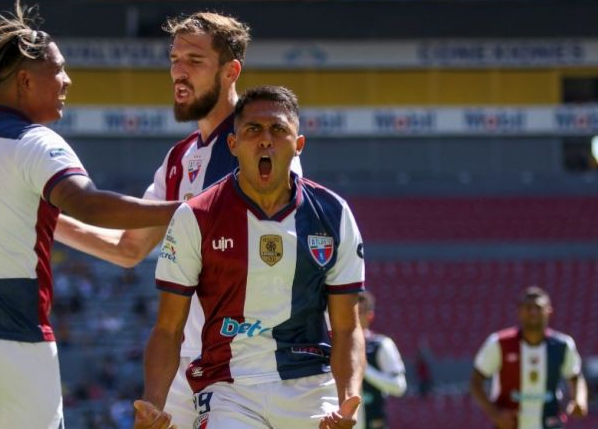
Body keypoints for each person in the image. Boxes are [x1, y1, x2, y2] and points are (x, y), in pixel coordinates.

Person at [0, 0, 179, 428]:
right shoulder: (34, 141)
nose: (67, 80)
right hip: (11, 339)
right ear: (24, 79)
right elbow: (90, 203)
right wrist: (191, 208)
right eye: (57, 69)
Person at [53, 12, 302, 429]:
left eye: (194, 60)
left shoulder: (263, 139)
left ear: (230, 71)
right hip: (189, 362)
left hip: (252, 362)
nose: (179, 72)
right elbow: (128, 248)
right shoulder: (179, 160)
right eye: (174, 59)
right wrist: (48, 220)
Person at [133, 85, 365, 429]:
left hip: (310, 388)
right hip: (229, 387)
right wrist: (153, 402)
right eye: (253, 130)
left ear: (298, 145)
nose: (266, 140)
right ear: (233, 144)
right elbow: (168, 328)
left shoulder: (334, 214)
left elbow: (347, 327)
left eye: (278, 130)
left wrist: (348, 399)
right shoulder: (195, 216)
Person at [470, 286, 588, 429]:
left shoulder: (563, 345)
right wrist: (496, 414)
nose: (533, 312)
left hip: (550, 423)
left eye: (538, 307)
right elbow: (475, 382)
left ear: (549, 311)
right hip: (511, 424)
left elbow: (575, 377)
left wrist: (579, 400)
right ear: (519, 312)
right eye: (528, 307)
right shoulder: (499, 343)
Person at [357, 291, 406, 429]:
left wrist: (365, 370)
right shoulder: (334, 345)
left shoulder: (381, 345)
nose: (354, 316)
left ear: (370, 316)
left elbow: (399, 386)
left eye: (359, 311)